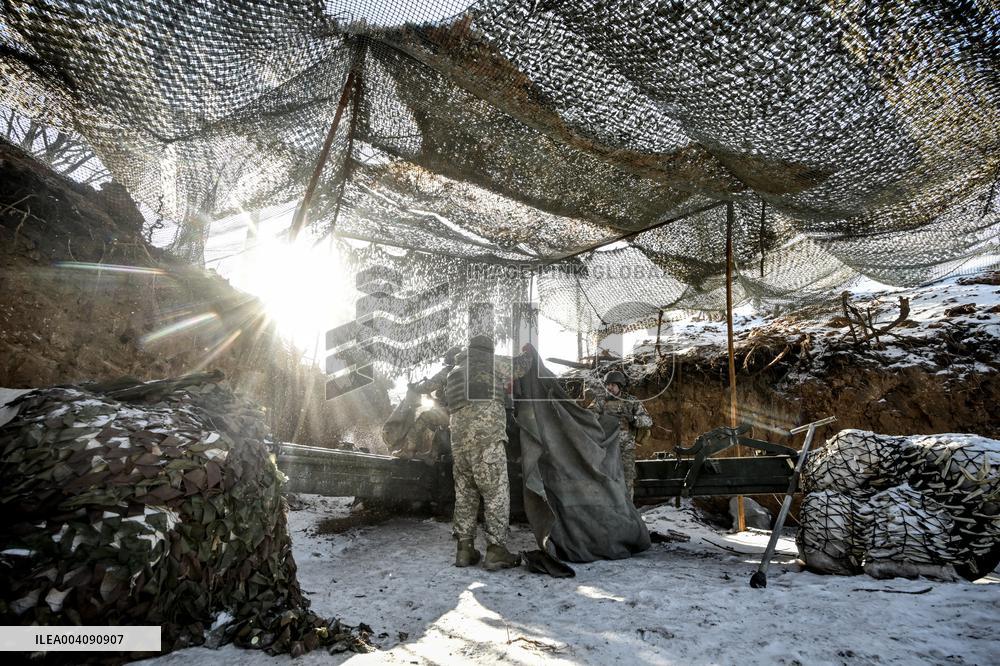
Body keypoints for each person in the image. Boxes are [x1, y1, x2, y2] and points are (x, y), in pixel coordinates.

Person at [412, 336, 534, 570]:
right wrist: (529, 353)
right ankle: (496, 550)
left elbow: (425, 387)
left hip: (459, 442)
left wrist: (414, 387)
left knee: (466, 493)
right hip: (486, 439)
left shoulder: (454, 368)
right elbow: (519, 367)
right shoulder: (489, 361)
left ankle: (464, 550)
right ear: (487, 350)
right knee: (495, 492)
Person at [588, 370, 653, 501]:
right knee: (606, 480)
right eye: (607, 385)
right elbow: (588, 417)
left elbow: (648, 421)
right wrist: (600, 418)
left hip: (626, 450)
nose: (609, 388)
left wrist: (633, 419)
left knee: (627, 482)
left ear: (620, 385)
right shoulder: (600, 401)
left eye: (612, 385)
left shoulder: (631, 401)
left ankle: (628, 513)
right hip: (606, 449)